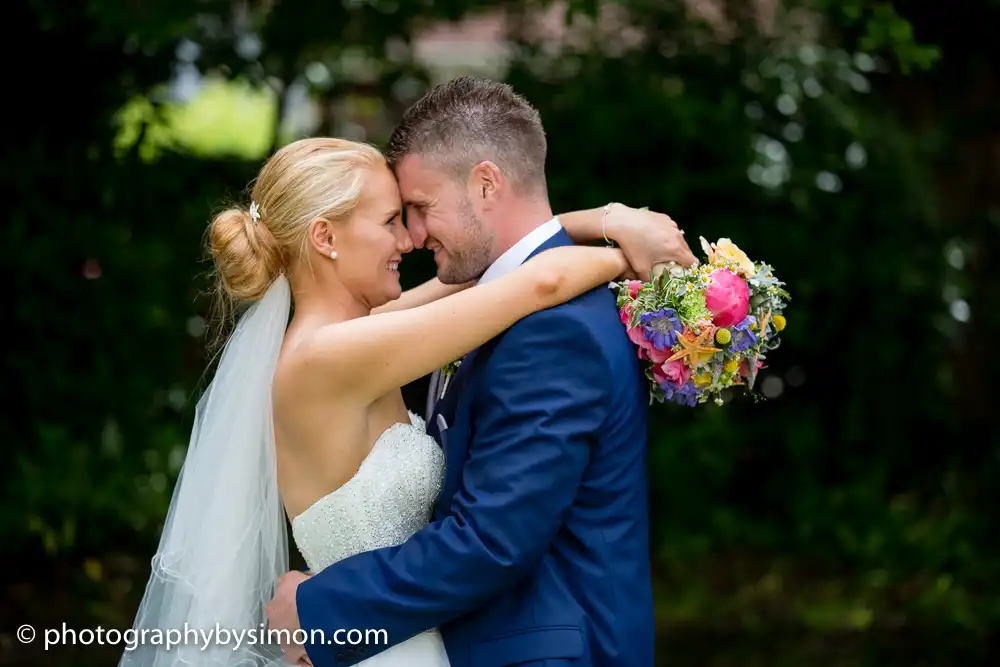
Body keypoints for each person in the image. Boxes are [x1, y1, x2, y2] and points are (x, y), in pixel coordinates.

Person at [262, 77, 695, 667]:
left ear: (486, 183)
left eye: (417, 209)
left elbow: (491, 540)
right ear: (324, 237)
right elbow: (532, 272)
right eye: (394, 218)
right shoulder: (468, 303)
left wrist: (320, 608)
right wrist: (622, 236)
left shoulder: (551, 327)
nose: (411, 238)